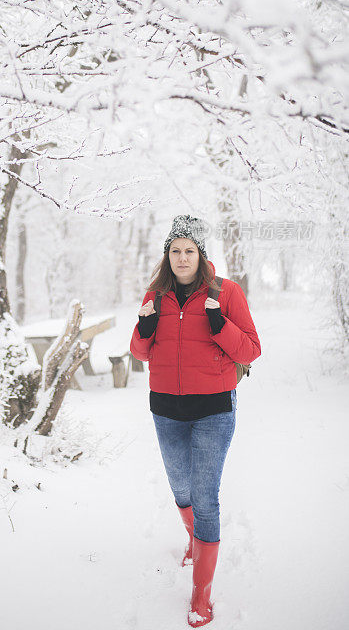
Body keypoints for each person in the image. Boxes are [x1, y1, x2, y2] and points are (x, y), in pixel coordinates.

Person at [129, 215, 261, 628]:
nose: (182, 257)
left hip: (214, 411)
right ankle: (193, 539)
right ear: (167, 256)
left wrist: (220, 326)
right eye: (175, 250)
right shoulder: (156, 294)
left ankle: (201, 593)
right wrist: (145, 326)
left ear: (201, 255)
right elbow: (140, 352)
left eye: (189, 250)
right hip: (166, 409)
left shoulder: (227, 293)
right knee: (180, 486)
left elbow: (252, 350)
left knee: (205, 496)